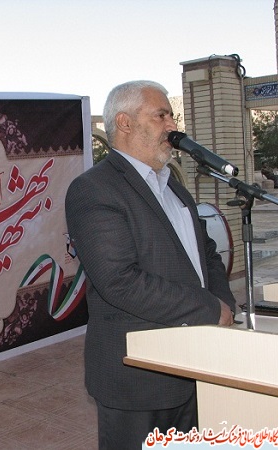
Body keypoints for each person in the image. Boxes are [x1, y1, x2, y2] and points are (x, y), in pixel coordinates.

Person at [65, 80, 236, 449]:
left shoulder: (172, 185)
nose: (172, 125)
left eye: (171, 116)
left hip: (193, 363)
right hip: (138, 380)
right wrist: (209, 308)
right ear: (124, 123)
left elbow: (207, 252)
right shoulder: (94, 188)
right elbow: (119, 281)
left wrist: (224, 303)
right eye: (161, 115)